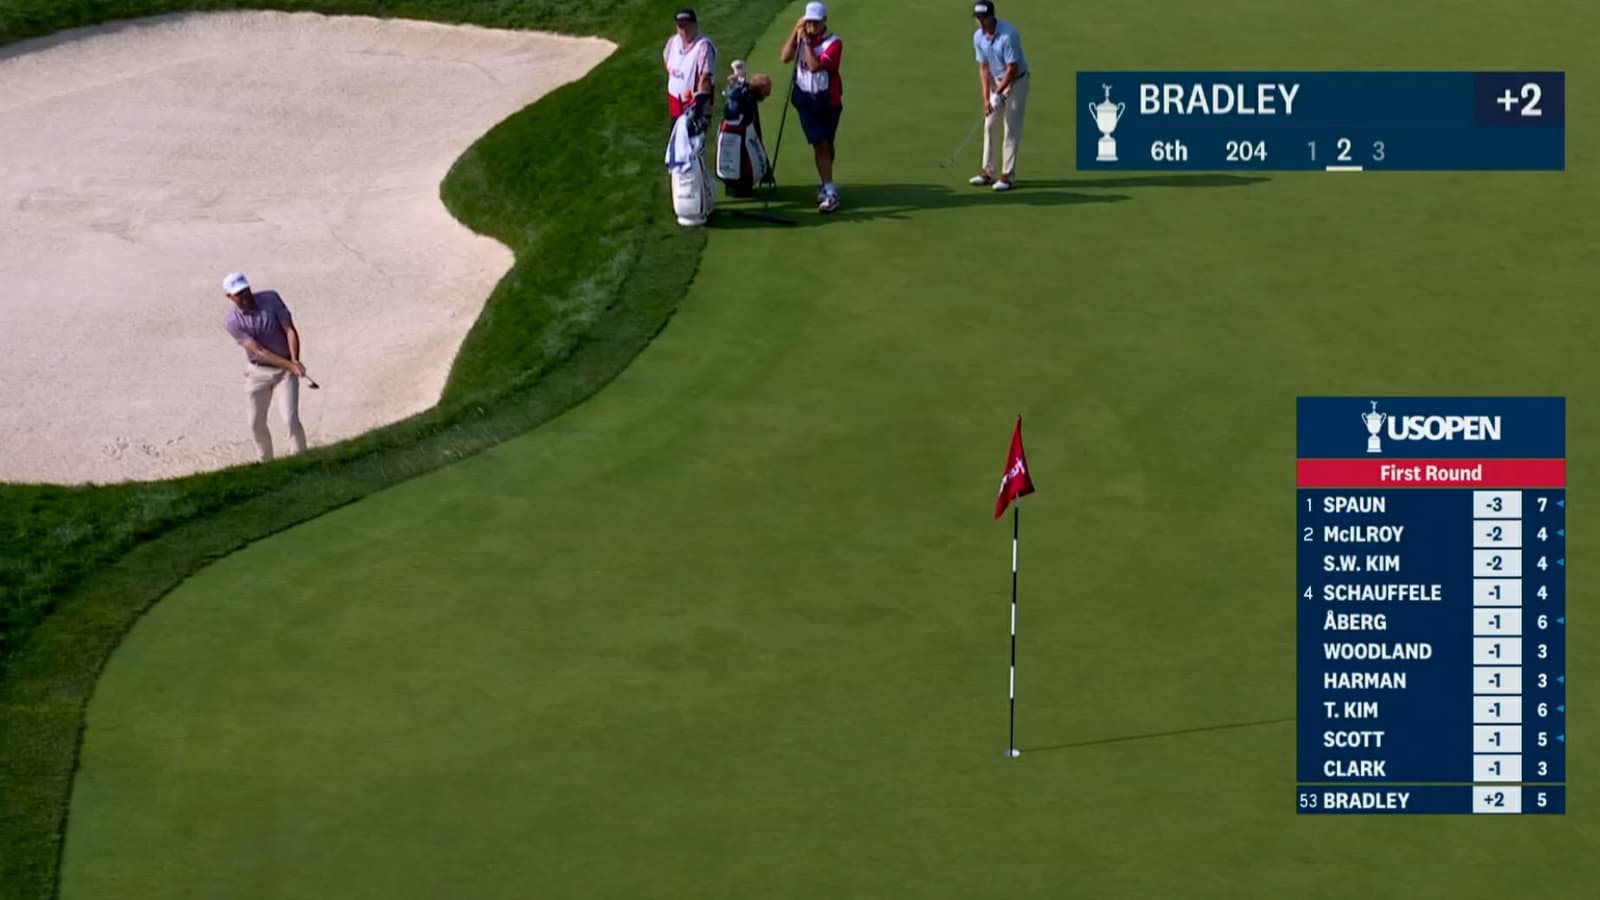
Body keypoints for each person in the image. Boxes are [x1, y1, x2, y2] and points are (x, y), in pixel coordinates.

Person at [222, 272, 307, 463]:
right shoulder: (232, 322)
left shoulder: (271, 298)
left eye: (245, 291)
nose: (244, 296)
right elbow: (259, 351)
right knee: (255, 422)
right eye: (238, 294)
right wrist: (291, 365)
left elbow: (289, 329)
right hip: (257, 373)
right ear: (229, 297)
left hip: (285, 373)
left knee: (290, 419)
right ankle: (266, 462)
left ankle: (301, 460)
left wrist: (295, 359)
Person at [780, 2, 844, 213]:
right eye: (808, 22)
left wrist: (806, 42)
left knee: (827, 143)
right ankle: (830, 192)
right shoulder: (801, 38)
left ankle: (825, 182)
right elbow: (785, 57)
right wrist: (794, 32)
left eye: (816, 22)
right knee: (820, 145)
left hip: (828, 101)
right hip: (806, 101)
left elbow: (815, 66)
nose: (812, 26)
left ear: (823, 22)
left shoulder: (834, 43)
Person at [970, 1, 1029, 191]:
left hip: (1017, 81)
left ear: (991, 17)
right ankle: (988, 171)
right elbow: (984, 68)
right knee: (989, 125)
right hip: (997, 81)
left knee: (1011, 127)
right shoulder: (978, 37)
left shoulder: (1008, 35)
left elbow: (1013, 69)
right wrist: (987, 98)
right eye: (977, 18)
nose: (979, 22)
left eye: (983, 18)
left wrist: (999, 93)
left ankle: (1007, 176)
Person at [663, 8, 717, 123]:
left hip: (694, 105)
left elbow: (705, 78)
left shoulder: (703, 46)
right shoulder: (673, 42)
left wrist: (699, 107)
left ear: (695, 25)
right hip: (675, 102)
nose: (684, 31)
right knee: (675, 137)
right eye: (680, 27)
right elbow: (667, 59)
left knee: (692, 139)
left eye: (687, 26)